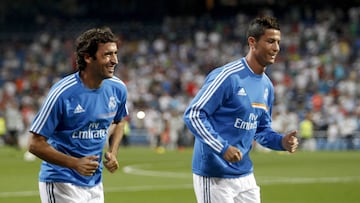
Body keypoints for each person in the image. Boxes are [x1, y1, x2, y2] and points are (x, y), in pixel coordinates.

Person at [183, 16, 298, 203]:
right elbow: (193, 114)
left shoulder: (267, 86)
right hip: (214, 175)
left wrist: (281, 142)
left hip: (245, 175)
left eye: (278, 42)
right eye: (270, 41)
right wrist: (223, 147)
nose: (276, 48)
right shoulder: (228, 77)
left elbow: (261, 130)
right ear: (252, 42)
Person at [28, 27, 128, 203]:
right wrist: (75, 163)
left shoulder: (118, 88)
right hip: (61, 182)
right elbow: (35, 144)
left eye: (115, 53)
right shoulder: (62, 93)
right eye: (107, 55)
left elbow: (120, 121)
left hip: (95, 184)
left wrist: (113, 152)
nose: (115, 61)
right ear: (88, 58)